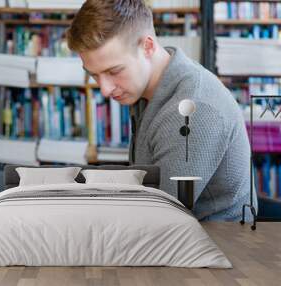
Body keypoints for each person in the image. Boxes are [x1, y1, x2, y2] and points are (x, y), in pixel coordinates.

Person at [66, 0, 257, 221]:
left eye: (114, 71)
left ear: (147, 47)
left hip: (215, 245)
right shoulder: (145, 88)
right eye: (94, 75)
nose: (105, 89)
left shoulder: (192, 110)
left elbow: (159, 222)